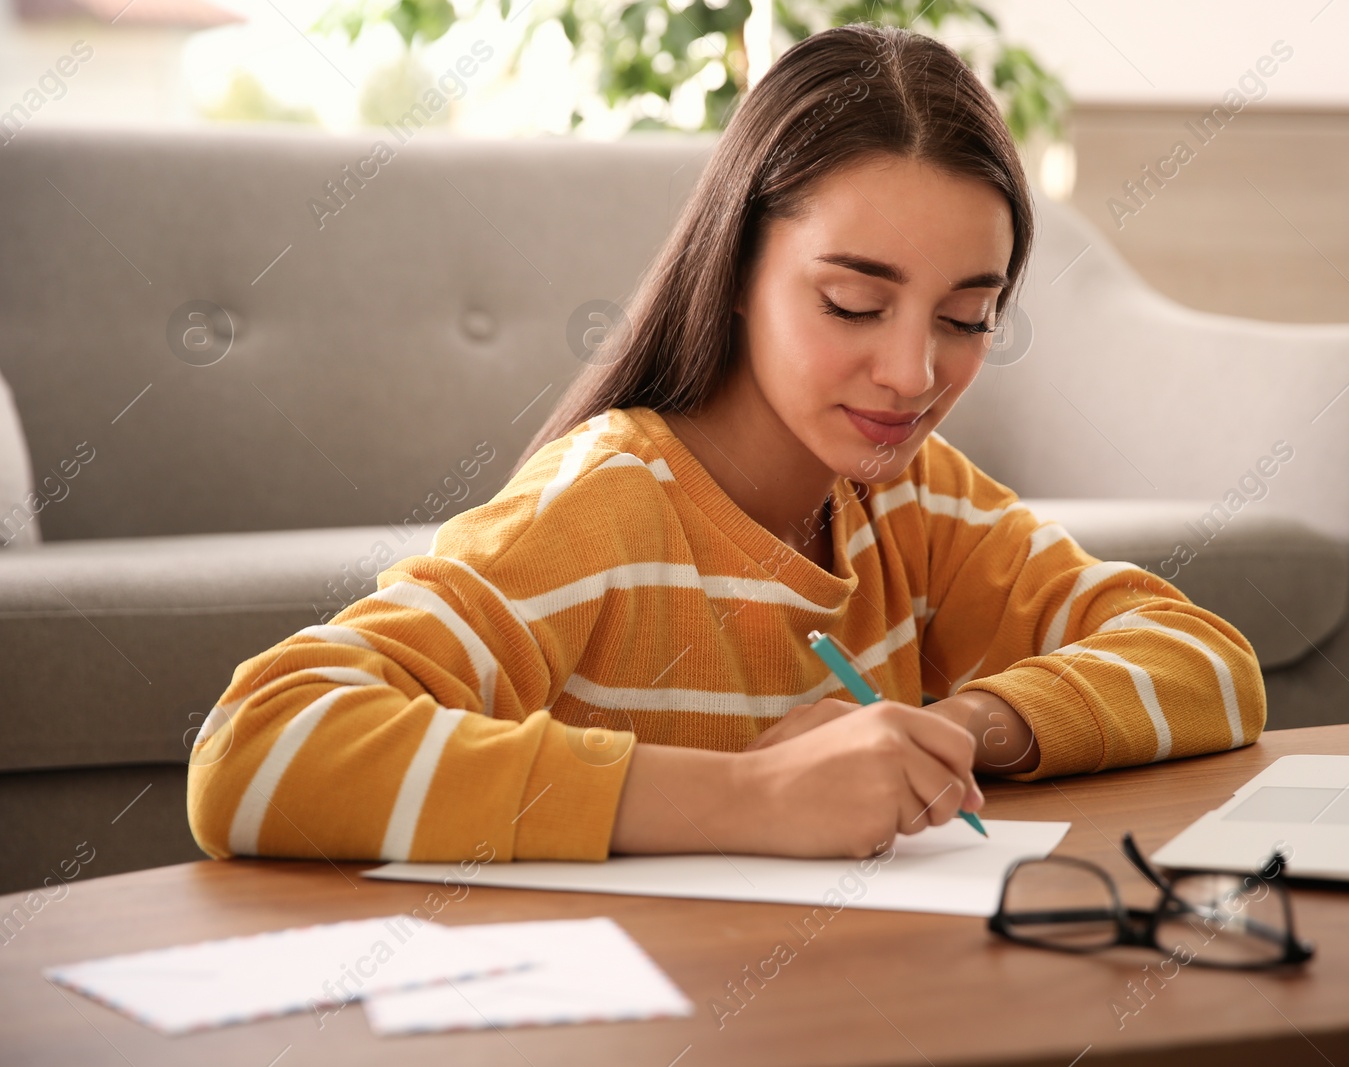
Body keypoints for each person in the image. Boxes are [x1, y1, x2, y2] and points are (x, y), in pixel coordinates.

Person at [186, 23, 1265, 866]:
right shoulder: (603, 504)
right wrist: (747, 798)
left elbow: (1209, 663)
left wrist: (956, 730)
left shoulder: (915, 502)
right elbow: (256, 746)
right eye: (851, 302)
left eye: (966, 316)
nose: (912, 373)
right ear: (736, 272)